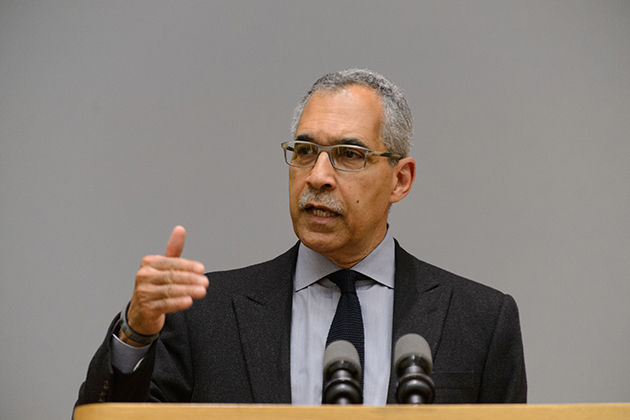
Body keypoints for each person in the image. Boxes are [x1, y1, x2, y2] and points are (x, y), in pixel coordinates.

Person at [76, 69, 526, 406]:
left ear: (400, 180)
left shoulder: (481, 321)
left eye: (348, 155)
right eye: (305, 151)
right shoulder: (202, 318)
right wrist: (135, 334)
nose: (318, 176)